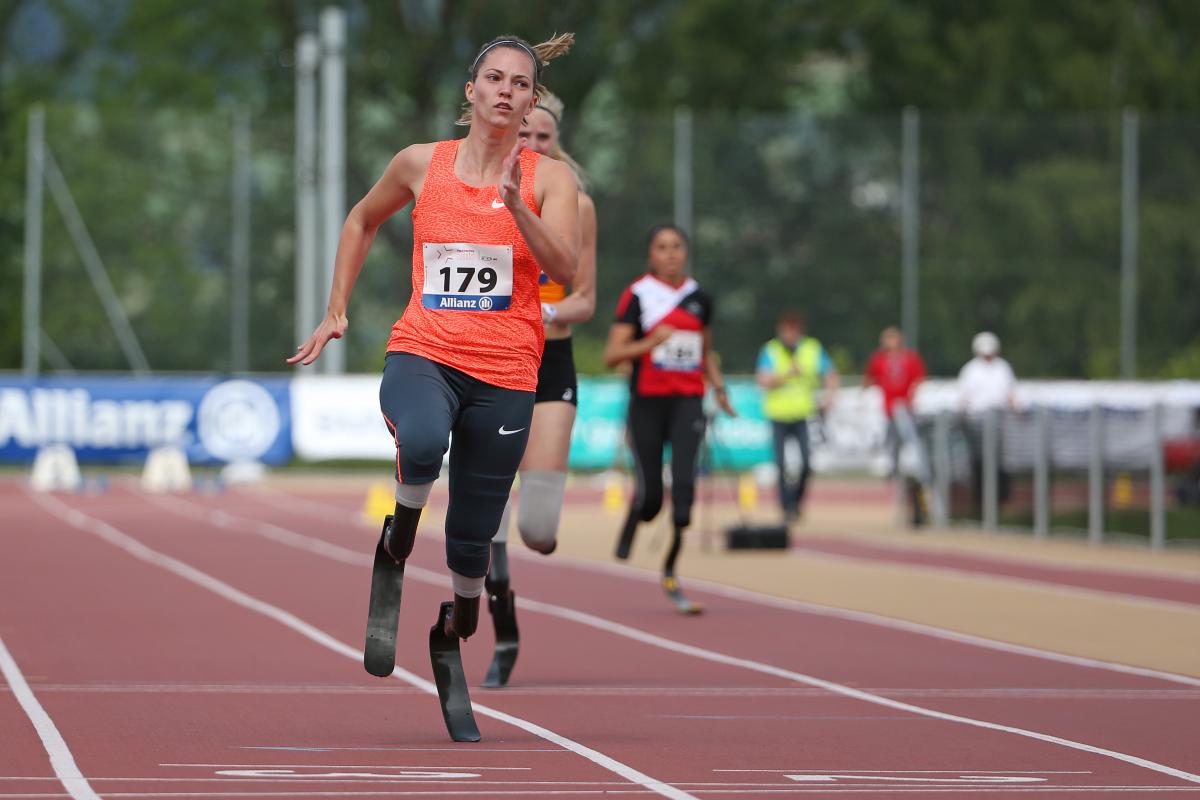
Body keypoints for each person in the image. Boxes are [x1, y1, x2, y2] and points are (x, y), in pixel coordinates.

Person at [287, 33, 578, 740]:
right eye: (494, 78)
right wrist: (335, 309)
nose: (506, 91)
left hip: (508, 376)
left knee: (472, 551)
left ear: (531, 101)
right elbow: (360, 218)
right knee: (419, 441)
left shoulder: (548, 178)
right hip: (425, 352)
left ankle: (452, 629)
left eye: (520, 84)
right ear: (471, 91)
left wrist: (518, 208)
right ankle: (395, 541)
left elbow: (565, 266)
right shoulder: (422, 163)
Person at [481, 89, 597, 687]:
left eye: (543, 137)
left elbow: (585, 296)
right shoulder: (478, 195)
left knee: (540, 529)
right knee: (490, 522)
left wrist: (545, 315)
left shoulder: (577, 203)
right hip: (493, 362)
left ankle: (529, 548)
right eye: (523, 135)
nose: (531, 145)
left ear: (557, 143)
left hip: (550, 365)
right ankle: (505, 631)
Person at [604, 225, 735, 614]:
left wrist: (720, 389)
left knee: (684, 495)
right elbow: (614, 354)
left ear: (686, 253)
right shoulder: (638, 295)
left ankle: (671, 571)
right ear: (651, 254)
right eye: (662, 248)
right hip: (647, 402)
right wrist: (650, 343)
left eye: (677, 247)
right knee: (652, 501)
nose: (671, 254)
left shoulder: (700, 299)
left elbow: (705, 352)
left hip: (688, 402)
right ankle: (637, 511)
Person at [755, 311, 839, 525]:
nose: (790, 335)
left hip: (804, 415)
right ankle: (786, 508)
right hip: (778, 415)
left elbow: (830, 373)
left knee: (807, 463)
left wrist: (830, 396)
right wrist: (786, 374)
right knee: (781, 465)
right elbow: (763, 380)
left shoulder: (812, 348)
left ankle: (796, 502)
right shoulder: (771, 350)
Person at [957, 331, 1017, 519]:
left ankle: (1001, 502)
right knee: (979, 463)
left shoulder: (1003, 368)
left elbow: (1010, 394)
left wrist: (1017, 411)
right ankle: (980, 503)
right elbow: (964, 397)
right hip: (977, 422)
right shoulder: (971, 370)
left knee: (1000, 463)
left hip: (999, 421)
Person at [862, 326, 927, 476]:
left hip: (906, 407)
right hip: (887, 408)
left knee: (910, 439)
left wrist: (914, 397)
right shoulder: (879, 359)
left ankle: (918, 470)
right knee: (892, 442)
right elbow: (869, 378)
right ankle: (894, 471)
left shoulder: (910, 358)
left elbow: (919, 380)